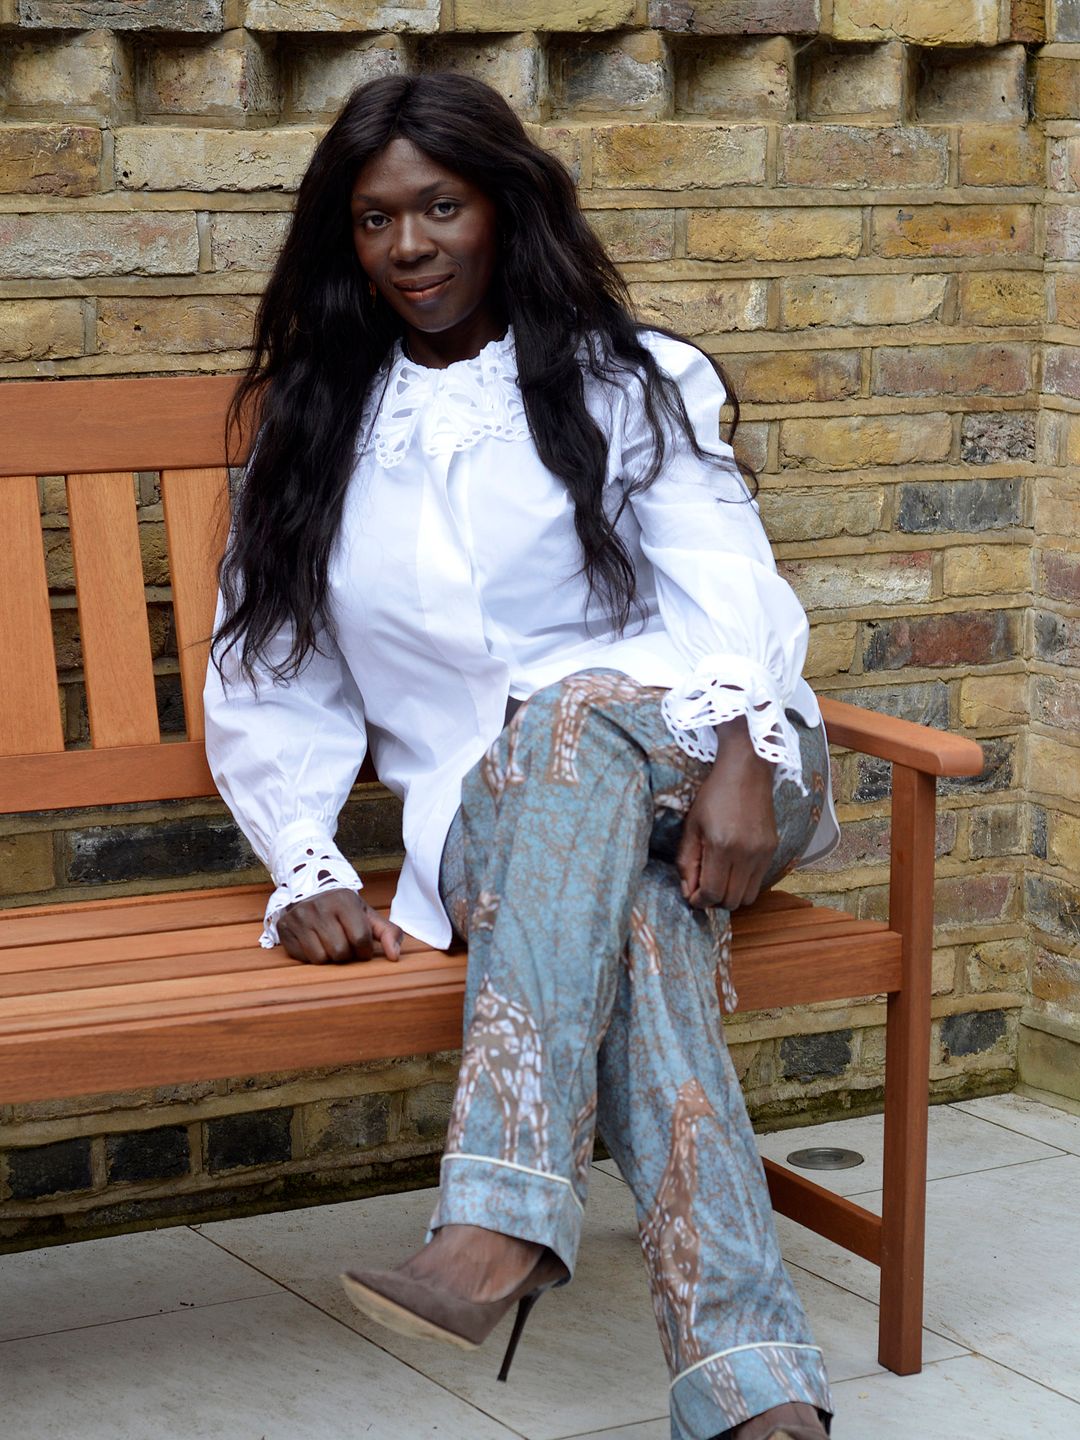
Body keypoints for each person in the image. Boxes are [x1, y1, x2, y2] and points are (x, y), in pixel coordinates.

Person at [203, 72, 840, 1440]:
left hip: (715, 759)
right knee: (644, 941)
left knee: (565, 714)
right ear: (345, 241)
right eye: (378, 220)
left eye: (443, 204)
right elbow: (274, 670)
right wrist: (304, 856)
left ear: (506, 207)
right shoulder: (313, 431)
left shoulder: (627, 377)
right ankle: (755, 1393)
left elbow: (728, 579)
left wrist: (734, 749)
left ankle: (499, 1218)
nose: (413, 245)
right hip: (498, 824)